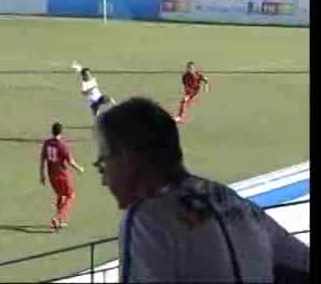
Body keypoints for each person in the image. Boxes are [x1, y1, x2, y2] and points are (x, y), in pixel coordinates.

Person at [94, 97, 309, 283]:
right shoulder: (232, 200)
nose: (104, 179)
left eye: (103, 163)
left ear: (128, 160)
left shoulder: (146, 220)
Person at [40, 122, 84, 230]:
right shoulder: (62, 145)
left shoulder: (47, 143)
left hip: (51, 176)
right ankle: (58, 217)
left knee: (60, 195)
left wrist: (42, 175)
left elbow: (42, 160)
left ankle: (59, 221)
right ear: (61, 132)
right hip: (62, 175)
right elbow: (70, 162)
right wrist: (80, 168)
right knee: (70, 195)